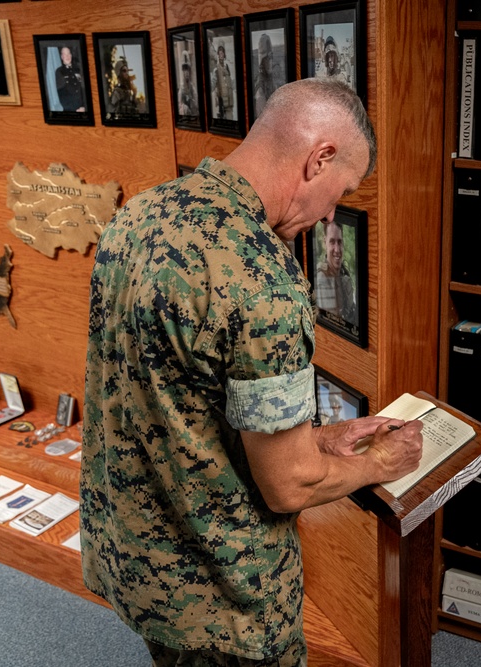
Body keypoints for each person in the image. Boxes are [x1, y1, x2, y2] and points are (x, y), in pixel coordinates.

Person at [81, 78, 423, 667]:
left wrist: (319, 439)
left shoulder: (139, 214)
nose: (329, 214)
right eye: (340, 192)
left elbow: (182, 401)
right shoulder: (260, 278)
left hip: (135, 559)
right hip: (224, 603)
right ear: (319, 159)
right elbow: (288, 484)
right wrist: (377, 464)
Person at [314, 219, 357, 322]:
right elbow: (333, 324)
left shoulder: (344, 277)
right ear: (325, 243)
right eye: (332, 242)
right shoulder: (323, 278)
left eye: (339, 242)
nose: (337, 249)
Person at [252, 32, 283, 119]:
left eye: (271, 57)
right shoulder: (260, 89)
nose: (270, 61)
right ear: (262, 61)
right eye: (267, 58)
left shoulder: (272, 79)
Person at [55, 45, 86, 113]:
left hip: (83, 109)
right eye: (65, 54)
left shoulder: (78, 69)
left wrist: (84, 106)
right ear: (62, 57)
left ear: (71, 55)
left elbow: (83, 89)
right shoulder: (59, 71)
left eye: (69, 53)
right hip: (71, 110)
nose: (67, 56)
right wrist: (75, 110)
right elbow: (62, 95)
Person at [212, 43, 235, 120]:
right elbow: (213, 85)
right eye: (219, 53)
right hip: (221, 102)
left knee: (230, 118)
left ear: (224, 54)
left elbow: (231, 82)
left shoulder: (227, 66)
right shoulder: (216, 69)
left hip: (229, 101)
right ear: (218, 55)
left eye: (222, 53)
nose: (221, 55)